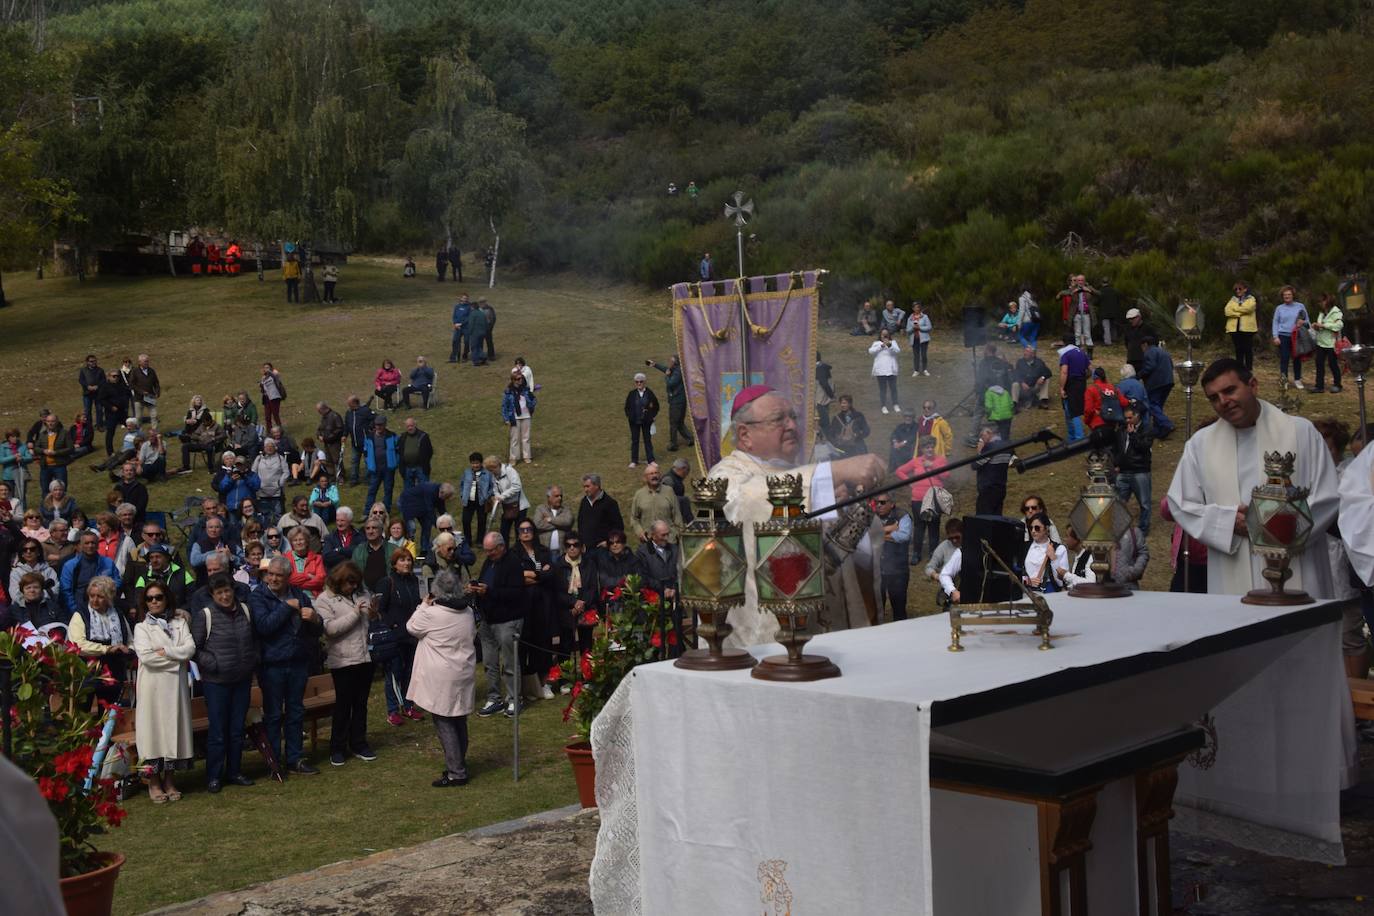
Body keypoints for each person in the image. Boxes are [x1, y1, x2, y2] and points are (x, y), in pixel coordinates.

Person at [706, 386, 886, 645]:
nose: (791, 425)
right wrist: (832, 473)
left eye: (793, 417)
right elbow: (746, 501)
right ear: (745, 434)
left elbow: (845, 548)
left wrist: (845, 507)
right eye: (779, 419)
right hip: (763, 646)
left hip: (830, 633)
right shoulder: (727, 475)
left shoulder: (804, 475)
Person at [1166, 358, 1338, 597]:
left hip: (1297, 560)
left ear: (1253, 385)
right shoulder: (1200, 444)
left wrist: (1273, 526)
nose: (1223, 402)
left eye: (1229, 390)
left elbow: (1327, 496)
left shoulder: (1301, 432)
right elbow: (1181, 502)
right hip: (1232, 561)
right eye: (1214, 398)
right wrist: (1228, 522)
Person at [251, 557, 322, 776]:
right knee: (273, 715)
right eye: (270, 574)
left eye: (278, 575)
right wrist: (285, 607)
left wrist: (315, 619)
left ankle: (294, 758)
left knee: (295, 712)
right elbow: (264, 627)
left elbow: (317, 631)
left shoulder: (299, 594)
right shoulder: (258, 596)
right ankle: (274, 762)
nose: (272, 578)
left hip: (298, 661)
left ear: (288, 577)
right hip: (272, 664)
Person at [407, 570, 476, 787]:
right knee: (459, 718)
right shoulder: (468, 612)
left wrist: (424, 605)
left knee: (444, 719)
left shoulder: (432, 614)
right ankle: (459, 763)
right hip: (462, 670)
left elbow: (411, 627)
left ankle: (457, 771)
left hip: (442, 674)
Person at [132, 585, 195, 802]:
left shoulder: (179, 623)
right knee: (153, 731)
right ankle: (154, 782)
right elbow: (147, 657)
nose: (155, 602)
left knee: (173, 729)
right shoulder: (142, 628)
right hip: (153, 686)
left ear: (166, 599)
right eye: (150, 599)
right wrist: (177, 661)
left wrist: (167, 651)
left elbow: (190, 649)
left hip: (176, 687)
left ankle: (170, 779)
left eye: (159, 597)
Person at [314, 561, 377, 766]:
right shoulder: (324, 600)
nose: (352, 587)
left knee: (360, 704)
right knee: (343, 705)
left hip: (364, 656)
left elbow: (370, 622)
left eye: (355, 584)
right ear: (339, 581)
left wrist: (374, 613)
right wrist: (355, 613)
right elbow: (330, 629)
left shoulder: (362, 593)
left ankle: (359, 743)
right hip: (342, 660)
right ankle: (337, 748)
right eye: (349, 584)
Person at [472, 533, 527, 718]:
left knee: (510, 663)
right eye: (486, 551)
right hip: (488, 620)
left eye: (491, 551)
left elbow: (516, 593)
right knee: (489, 662)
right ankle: (494, 698)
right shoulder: (489, 562)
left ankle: (514, 698)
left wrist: (490, 591)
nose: (488, 554)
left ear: (501, 547)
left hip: (508, 620)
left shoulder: (513, 563)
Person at [376, 549, 426, 726]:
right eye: (402, 560)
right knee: (394, 674)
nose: (406, 563)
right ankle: (392, 710)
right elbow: (380, 608)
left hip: (412, 634)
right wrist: (392, 625)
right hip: (395, 636)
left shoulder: (414, 581)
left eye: (409, 560)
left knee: (410, 672)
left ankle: (408, 705)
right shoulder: (387, 582)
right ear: (394, 563)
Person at [896, 436, 949, 565]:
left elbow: (946, 475)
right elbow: (900, 471)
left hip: (935, 499)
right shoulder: (915, 461)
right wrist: (910, 483)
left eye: (931, 446)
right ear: (922, 449)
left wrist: (932, 465)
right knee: (919, 526)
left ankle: (933, 554)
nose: (930, 449)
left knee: (934, 527)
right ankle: (916, 553)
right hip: (918, 499)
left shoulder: (940, 460)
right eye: (926, 447)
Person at [1113, 404, 1154, 536]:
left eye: (1130, 418)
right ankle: (1118, 528)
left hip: (1140, 471)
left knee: (1144, 503)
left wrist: (1133, 435)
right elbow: (1118, 448)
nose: (1127, 421)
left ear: (1137, 416)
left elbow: (1144, 446)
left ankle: (1143, 530)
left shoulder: (1146, 429)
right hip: (1123, 471)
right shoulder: (1121, 429)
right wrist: (1116, 463)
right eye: (1125, 418)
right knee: (1118, 502)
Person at [872, 494, 911, 622]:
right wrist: (890, 530)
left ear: (891, 504)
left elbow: (904, 536)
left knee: (899, 610)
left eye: (882, 502)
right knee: (876, 610)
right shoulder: (871, 516)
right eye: (877, 502)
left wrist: (878, 534)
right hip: (876, 570)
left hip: (898, 570)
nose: (879, 505)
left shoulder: (902, 516)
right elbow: (864, 535)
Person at [60, 529, 120, 612]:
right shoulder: (70, 566)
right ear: (81, 545)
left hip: (105, 607)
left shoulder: (108, 563)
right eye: (87, 543)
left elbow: (117, 582)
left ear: (98, 545)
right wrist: (75, 611)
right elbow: (66, 591)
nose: (90, 546)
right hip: (79, 608)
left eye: (93, 543)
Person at [648, 356, 694, 451]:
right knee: (679, 422)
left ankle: (673, 444)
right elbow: (666, 369)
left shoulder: (677, 373)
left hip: (676, 402)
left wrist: (667, 376)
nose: (669, 362)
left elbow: (670, 383)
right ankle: (690, 439)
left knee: (673, 423)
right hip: (680, 401)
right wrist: (655, 365)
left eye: (671, 361)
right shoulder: (676, 369)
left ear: (675, 363)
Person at [629, 463, 683, 544]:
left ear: (660, 476)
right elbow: (634, 518)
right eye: (651, 474)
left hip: (669, 541)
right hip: (648, 542)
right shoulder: (639, 494)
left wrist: (677, 533)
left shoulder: (669, 491)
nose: (654, 476)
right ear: (645, 478)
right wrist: (640, 532)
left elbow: (677, 516)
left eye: (656, 473)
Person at [399, 479, 452, 560]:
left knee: (427, 527)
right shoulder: (430, 490)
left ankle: (424, 551)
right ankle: (407, 552)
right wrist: (438, 525)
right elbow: (430, 509)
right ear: (441, 492)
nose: (444, 499)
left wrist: (448, 522)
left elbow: (442, 509)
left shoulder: (440, 494)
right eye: (444, 497)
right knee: (411, 529)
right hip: (408, 504)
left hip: (422, 507)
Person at [1271, 285, 1310, 388]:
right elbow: (1275, 322)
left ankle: (1297, 380)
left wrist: (1302, 322)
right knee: (1284, 358)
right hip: (1283, 336)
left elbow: (1307, 322)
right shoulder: (1279, 308)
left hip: (1296, 336)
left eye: (1289, 294)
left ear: (1293, 295)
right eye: (1285, 295)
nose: (1287, 296)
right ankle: (1284, 381)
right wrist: (1275, 336)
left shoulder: (1300, 306)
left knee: (1297, 358)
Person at [1138, 336, 1177, 437]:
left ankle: (1166, 424)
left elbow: (1150, 366)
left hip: (1157, 382)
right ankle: (1158, 429)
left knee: (1152, 405)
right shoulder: (1164, 352)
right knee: (1158, 405)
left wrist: (1139, 375)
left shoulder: (1149, 352)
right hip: (1168, 381)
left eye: (1141, 347)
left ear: (1145, 344)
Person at [486, 455, 529, 543]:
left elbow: (517, 487)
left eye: (492, 470)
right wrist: (497, 496)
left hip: (519, 507)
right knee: (504, 531)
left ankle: (520, 551)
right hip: (506, 507)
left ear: (496, 466)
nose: (491, 472)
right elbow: (495, 488)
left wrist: (502, 496)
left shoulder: (510, 471)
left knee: (519, 532)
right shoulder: (493, 475)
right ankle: (504, 552)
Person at [1022, 512, 1067, 593]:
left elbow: (1061, 582)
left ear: (1046, 528)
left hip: (1049, 593)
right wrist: (1027, 581)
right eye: (1031, 528)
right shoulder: (1025, 547)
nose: (1033, 531)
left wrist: (1053, 558)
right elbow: (1016, 573)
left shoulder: (1059, 549)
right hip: (1026, 592)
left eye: (1037, 528)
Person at [1057, 332, 1090, 442]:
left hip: (1071, 384)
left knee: (1073, 411)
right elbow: (1089, 370)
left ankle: (1078, 438)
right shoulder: (1082, 352)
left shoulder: (1066, 354)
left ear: (1064, 342)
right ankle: (1071, 437)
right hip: (1081, 383)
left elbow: (1064, 372)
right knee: (1069, 411)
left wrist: (1061, 387)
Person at [635, 519, 679, 599]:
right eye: (663, 535)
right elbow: (643, 577)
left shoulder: (674, 550)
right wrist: (662, 588)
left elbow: (680, 572)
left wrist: (674, 588)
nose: (666, 538)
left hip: (674, 595)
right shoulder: (643, 552)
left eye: (667, 534)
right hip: (653, 597)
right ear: (653, 535)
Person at [364, 414, 400, 512]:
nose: (378, 427)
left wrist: (395, 462)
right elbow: (365, 452)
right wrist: (368, 463)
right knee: (372, 491)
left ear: (385, 425)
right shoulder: (369, 437)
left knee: (388, 491)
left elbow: (398, 450)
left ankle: (386, 511)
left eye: (381, 425)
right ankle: (367, 512)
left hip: (388, 469)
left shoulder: (392, 436)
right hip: (375, 469)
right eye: (377, 425)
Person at [577, 473, 624, 548]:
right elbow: (580, 523)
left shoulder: (609, 503)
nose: (585, 489)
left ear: (597, 486)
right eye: (584, 487)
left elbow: (618, 527)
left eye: (588, 486)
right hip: (586, 549)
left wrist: (608, 542)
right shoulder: (584, 502)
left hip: (603, 549)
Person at [624, 372, 660, 468]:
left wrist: (652, 416)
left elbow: (656, 406)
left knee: (647, 440)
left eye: (641, 382)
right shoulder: (631, 394)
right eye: (637, 382)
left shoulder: (650, 393)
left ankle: (651, 460)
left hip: (646, 422)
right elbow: (627, 407)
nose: (639, 383)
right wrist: (629, 416)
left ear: (644, 382)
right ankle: (634, 460)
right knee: (635, 440)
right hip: (634, 422)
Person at [973, 426, 1011, 516]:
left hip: (988, 489)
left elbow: (975, 465)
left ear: (990, 434)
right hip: (1001, 487)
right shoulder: (1006, 446)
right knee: (997, 517)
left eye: (982, 436)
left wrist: (979, 451)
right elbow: (1013, 460)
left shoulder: (989, 447)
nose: (982, 439)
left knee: (983, 517)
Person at [1311, 293, 1345, 393]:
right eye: (1319, 302)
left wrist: (1324, 325)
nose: (1320, 303)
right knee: (1319, 364)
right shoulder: (1321, 313)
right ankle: (1319, 386)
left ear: (1328, 301)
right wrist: (1316, 326)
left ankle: (1337, 385)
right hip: (1320, 342)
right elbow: (1321, 325)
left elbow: (1339, 325)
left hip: (1331, 343)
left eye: (1322, 301)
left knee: (1333, 364)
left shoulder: (1336, 312)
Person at [34, 412, 74, 494]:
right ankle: (47, 506)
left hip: (59, 466)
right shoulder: (42, 434)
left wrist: (56, 453)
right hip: (45, 467)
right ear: (46, 422)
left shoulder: (64, 433)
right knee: (45, 490)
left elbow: (71, 449)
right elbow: (36, 448)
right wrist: (43, 451)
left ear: (57, 422)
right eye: (48, 421)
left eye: (52, 421)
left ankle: (62, 506)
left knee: (61, 489)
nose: (50, 423)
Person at [459, 453, 493, 548]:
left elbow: (492, 486)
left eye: (477, 463)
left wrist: (487, 495)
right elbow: (462, 484)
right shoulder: (467, 472)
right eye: (473, 463)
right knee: (466, 520)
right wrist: (462, 495)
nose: (475, 465)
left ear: (481, 463)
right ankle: (468, 540)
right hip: (468, 501)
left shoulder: (487, 474)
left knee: (482, 521)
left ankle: (480, 540)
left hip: (481, 501)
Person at [502, 370, 536, 464]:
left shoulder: (525, 390)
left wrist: (531, 406)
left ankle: (527, 456)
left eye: (521, 378)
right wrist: (506, 419)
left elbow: (533, 400)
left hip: (526, 416)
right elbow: (505, 406)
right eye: (518, 379)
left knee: (526, 437)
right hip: (514, 417)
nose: (520, 380)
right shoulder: (508, 392)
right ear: (513, 380)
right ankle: (513, 458)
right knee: (515, 438)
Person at [1223, 282, 1258, 370]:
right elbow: (1227, 311)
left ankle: (1248, 369)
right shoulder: (1232, 300)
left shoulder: (1251, 299)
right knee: (1238, 349)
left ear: (1245, 289)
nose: (1238, 291)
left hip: (1248, 329)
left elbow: (1249, 309)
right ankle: (1239, 369)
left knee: (1248, 349)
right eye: (1236, 289)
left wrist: (1235, 309)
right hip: (1234, 329)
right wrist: (1239, 314)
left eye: (1240, 289)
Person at [98, 370, 132, 457]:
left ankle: (136, 444)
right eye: (113, 376)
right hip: (111, 413)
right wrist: (111, 407)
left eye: (117, 376)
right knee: (110, 432)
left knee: (131, 426)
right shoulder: (105, 387)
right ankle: (110, 452)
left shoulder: (120, 385)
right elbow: (101, 400)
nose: (116, 378)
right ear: (108, 377)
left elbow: (126, 394)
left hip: (122, 412)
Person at [868, 329, 902, 414]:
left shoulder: (893, 342)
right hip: (881, 370)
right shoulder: (876, 343)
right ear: (880, 335)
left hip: (891, 370)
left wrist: (889, 345)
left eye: (886, 335)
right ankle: (883, 406)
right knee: (883, 389)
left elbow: (897, 351)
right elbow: (871, 351)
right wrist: (881, 346)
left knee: (893, 388)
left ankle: (895, 404)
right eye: (883, 335)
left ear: (889, 335)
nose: (884, 336)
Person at [285, 526, 327, 594]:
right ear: (291, 543)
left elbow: (321, 580)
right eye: (295, 540)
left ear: (307, 541)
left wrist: (297, 583)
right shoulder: (286, 558)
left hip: (313, 597)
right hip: (293, 596)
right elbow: (288, 579)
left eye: (301, 539)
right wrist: (308, 576)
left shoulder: (317, 558)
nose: (298, 542)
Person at [1083, 367, 1126, 431]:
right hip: (1114, 425)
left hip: (1098, 424)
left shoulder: (1090, 390)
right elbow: (1124, 402)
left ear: (1094, 377)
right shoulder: (1113, 388)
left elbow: (1088, 410)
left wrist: (1087, 421)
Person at [532, 485, 574, 552]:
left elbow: (568, 522)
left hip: (563, 551)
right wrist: (561, 525)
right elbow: (537, 524)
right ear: (549, 497)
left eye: (561, 496)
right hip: (544, 551)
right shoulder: (541, 509)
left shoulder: (566, 509)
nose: (560, 498)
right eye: (556, 496)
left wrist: (550, 520)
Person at [343, 396, 374, 486]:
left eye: (349, 403)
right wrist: (345, 435)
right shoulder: (348, 413)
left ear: (354, 403)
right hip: (355, 443)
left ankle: (368, 478)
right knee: (354, 461)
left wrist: (370, 428)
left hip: (365, 442)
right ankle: (354, 479)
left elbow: (375, 418)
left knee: (367, 461)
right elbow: (347, 425)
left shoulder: (365, 411)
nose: (348, 404)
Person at [398, 417, 434, 490]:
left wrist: (425, 462)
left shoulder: (423, 436)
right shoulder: (402, 437)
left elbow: (430, 451)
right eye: (408, 426)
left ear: (415, 425)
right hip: (407, 468)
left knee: (425, 489)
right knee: (409, 492)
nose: (410, 428)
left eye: (411, 425)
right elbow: (400, 452)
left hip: (421, 467)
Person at [129, 353, 161, 428]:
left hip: (150, 397)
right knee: (139, 418)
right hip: (139, 398)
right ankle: (138, 433)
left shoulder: (151, 371)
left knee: (154, 416)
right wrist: (141, 392)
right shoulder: (135, 371)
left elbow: (156, 383)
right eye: (145, 361)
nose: (147, 363)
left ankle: (154, 432)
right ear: (139, 362)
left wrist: (157, 392)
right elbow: (132, 384)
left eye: (147, 361)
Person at [316, 401, 345, 475]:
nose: (319, 413)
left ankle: (341, 476)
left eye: (319, 411)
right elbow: (320, 428)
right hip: (327, 443)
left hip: (334, 443)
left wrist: (326, 438)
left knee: (337, 460)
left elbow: (339, 429)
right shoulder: (324, 417)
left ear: (323, 409)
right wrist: (319, 435)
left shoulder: (335, 416)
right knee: (328, 460)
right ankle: (331, 475)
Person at [79, 355, 105, 431]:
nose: (93, 362)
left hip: (98, 393)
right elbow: (81, 380)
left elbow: (103, 380)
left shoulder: (100, 370)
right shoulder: (83, 370)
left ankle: (99, 425)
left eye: (95, 361)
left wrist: (98, 386)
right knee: (87, 410)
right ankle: (88, 426)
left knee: (99, 409)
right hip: (87, 394)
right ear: (87, 362)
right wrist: (87, 386)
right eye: (91, 361)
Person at [259, 363, 287, 430]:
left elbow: (276, 374)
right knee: (267, 417)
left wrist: (269, 371)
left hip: (274, 398)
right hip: (266, 399)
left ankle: (280, 430)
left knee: (275, 415)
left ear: (271, 368)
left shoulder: (274, 375)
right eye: (264, 367)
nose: (266, 369)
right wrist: (261, 385)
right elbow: (263, 390)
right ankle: (269, 432)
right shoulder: (263, 378)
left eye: (267, 367)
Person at [1096, 278, 1122, 346]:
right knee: (1113, 327)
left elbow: (1097, 302)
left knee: (1106, 327)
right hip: (1114, 312)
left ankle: (1108, 342)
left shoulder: (1101, 291)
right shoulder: (1114, 291)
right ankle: (1114, 339)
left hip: (1104, 313)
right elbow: (1118, 301)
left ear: (1102, 283)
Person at [465, 299, 489, 366]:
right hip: (483, 333)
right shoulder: (482, 313)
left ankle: (476, 361)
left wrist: (470, 332)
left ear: (472, 307)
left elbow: (471, 324)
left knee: (474, 347)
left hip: (475, 333)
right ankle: (483, 358)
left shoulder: (472, 314)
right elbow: (486, 323)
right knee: (479, 347)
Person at [448, 297, 471, 364]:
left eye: (466, 298)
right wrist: (455, 324)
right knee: (455, 341)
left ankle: (465, 356)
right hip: (457, 328)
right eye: (463, 298)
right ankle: (454, 357)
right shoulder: (457, 306)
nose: (464, 299)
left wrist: (461, 324)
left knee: (466, 342)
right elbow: (454, 316)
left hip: (466, 327)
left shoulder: (469, 307)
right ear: (460, 298)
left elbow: (469, 317)